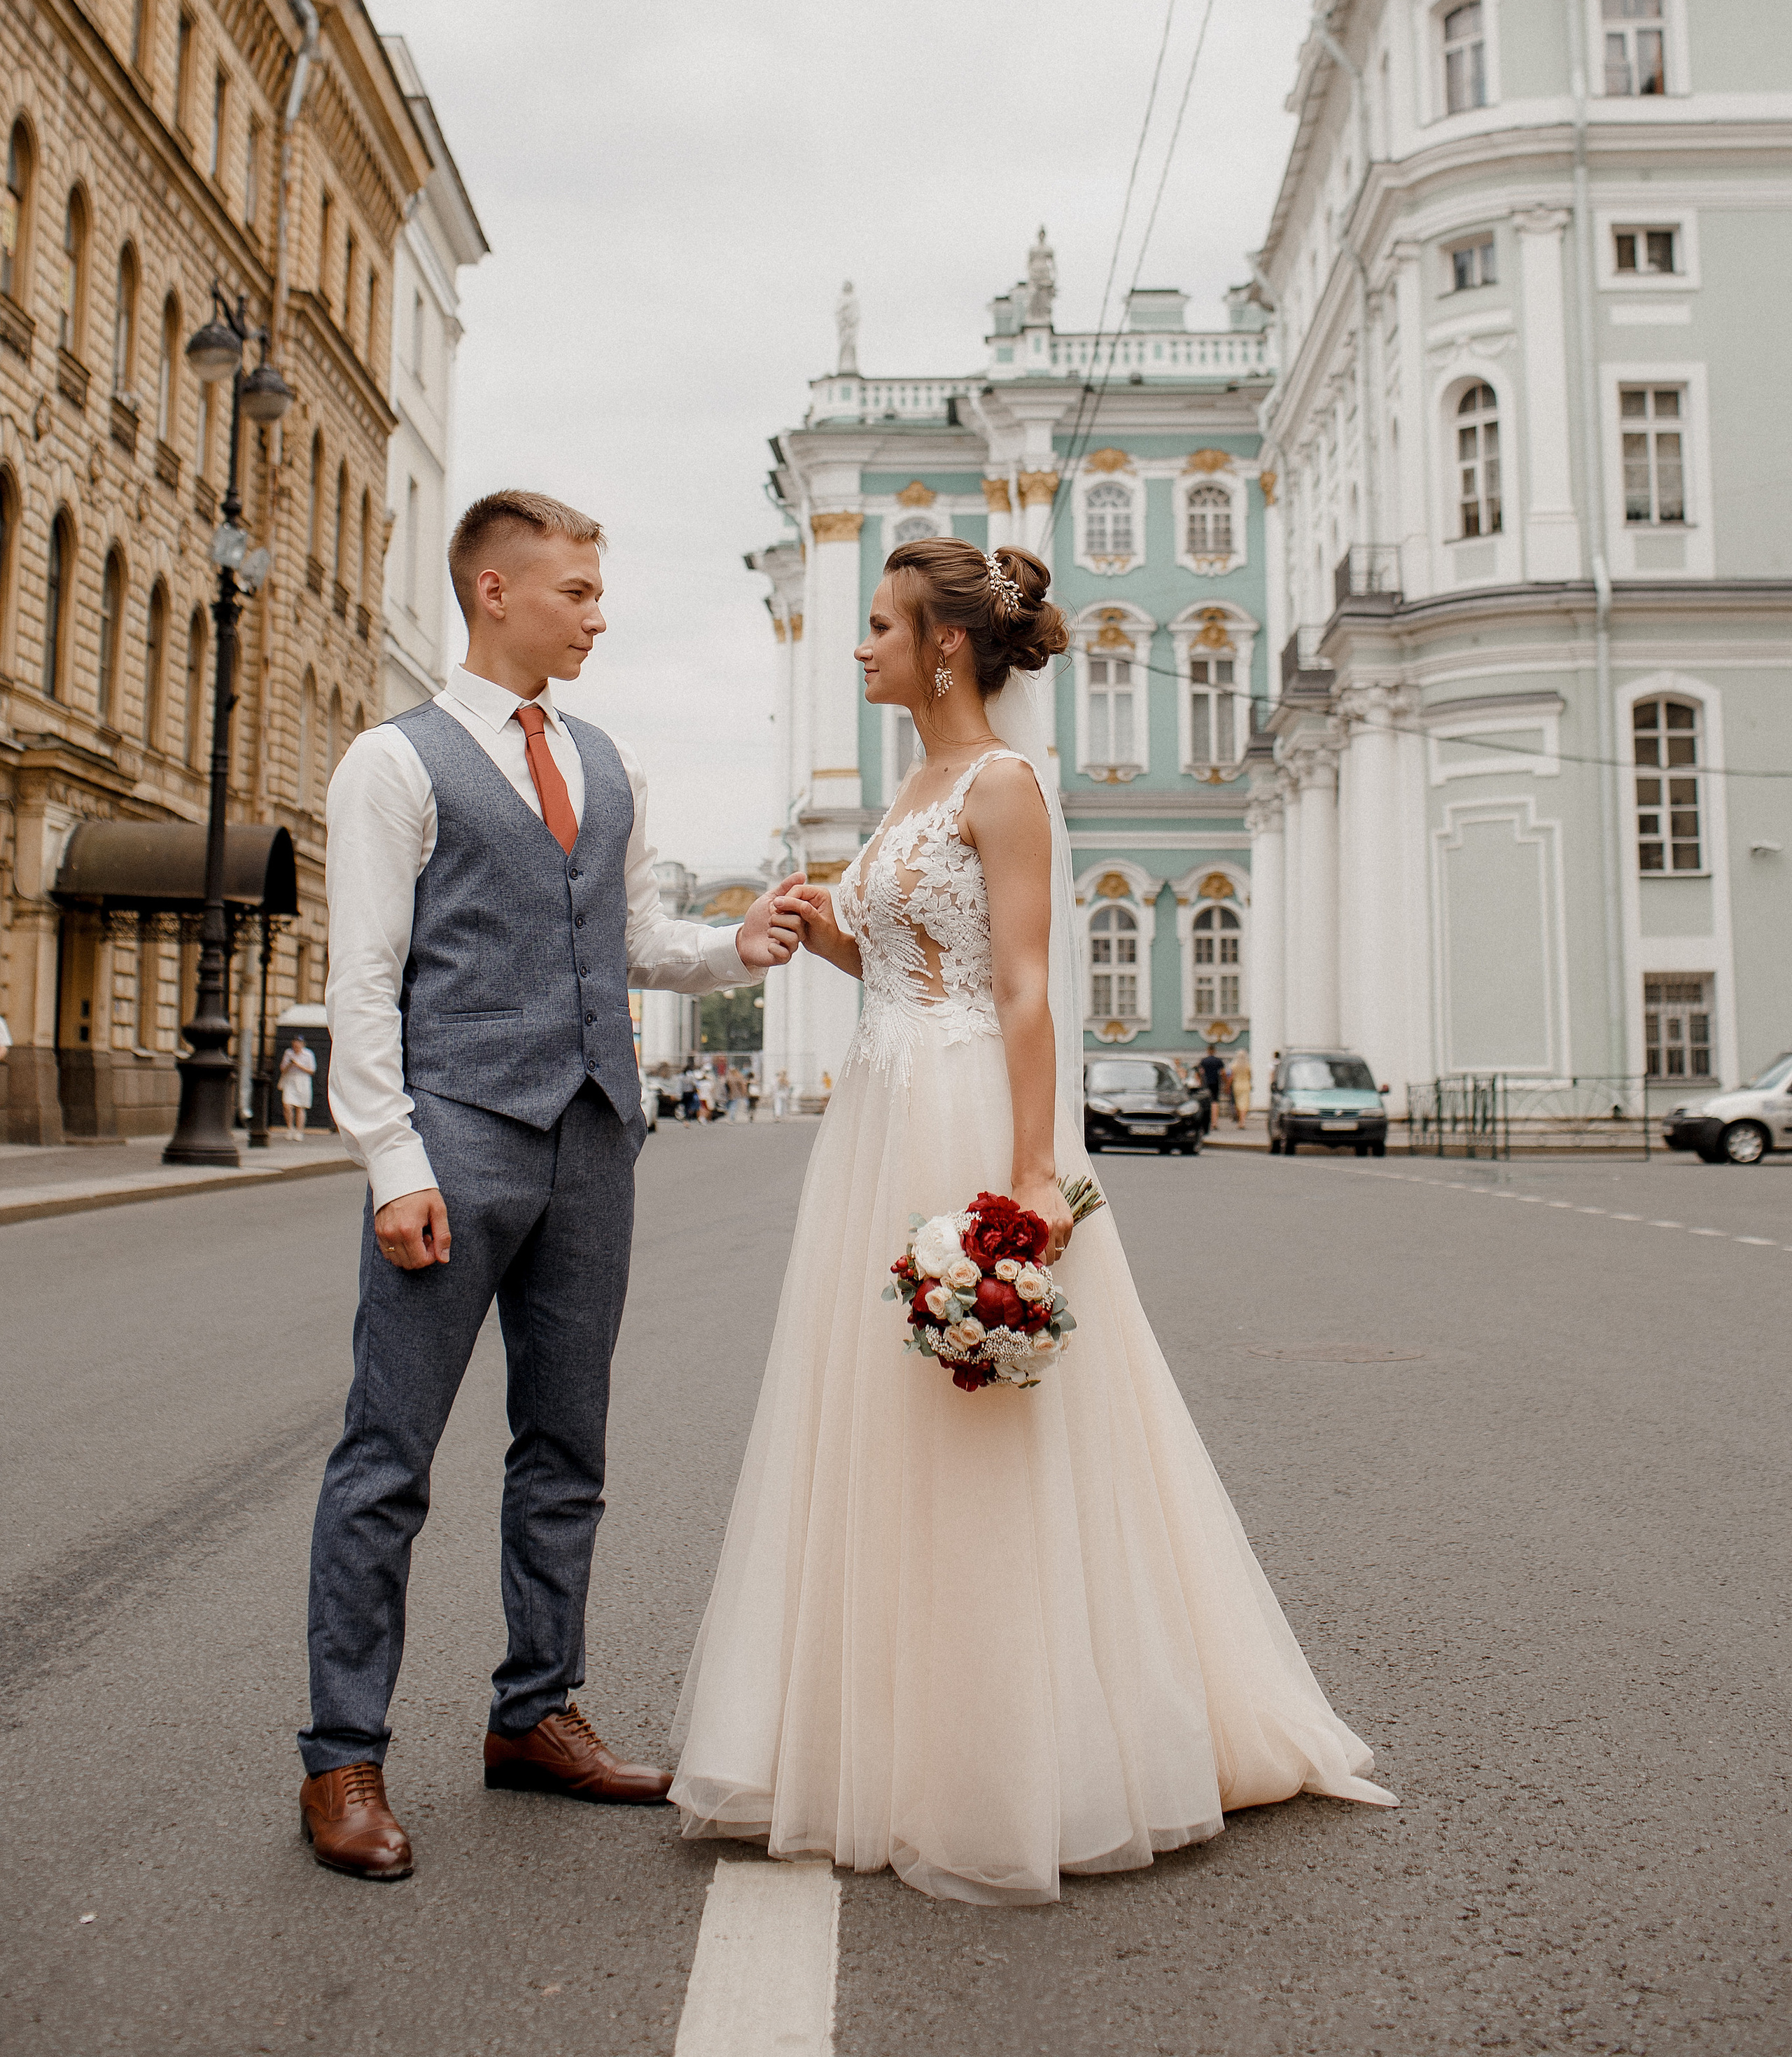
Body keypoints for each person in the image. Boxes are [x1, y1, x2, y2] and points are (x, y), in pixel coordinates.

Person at [671, 538, 1392, 1905]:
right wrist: (815, 921)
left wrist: (1024, 1184)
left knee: (979, 1426)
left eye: (878, 627)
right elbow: (894, 961)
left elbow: (1018, 992)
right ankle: (878, 1737)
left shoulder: (1003, 787)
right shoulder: (912, 787)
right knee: (877, 1420)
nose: (860, 646)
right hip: (877, 1109)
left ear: (944, 648)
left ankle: (1007, 1757)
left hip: (952, 1115)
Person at [298, 490, 804, 1881]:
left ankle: (535, 1715)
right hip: (455, 1136)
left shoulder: (605, 759)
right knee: (386, 1456)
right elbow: (363, 977)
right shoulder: (393, 764)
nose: (597, 612)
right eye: (576, 590)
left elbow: (627, 938)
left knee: (564, 1448)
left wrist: (733, 946)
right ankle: (342, 1756)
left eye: (598, 589)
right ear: (495, 594)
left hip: (592, 1136)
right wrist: (390, 1156)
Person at [279, 1033, 317, 1143]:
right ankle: (290, 1128)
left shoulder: (308, 1054)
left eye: (299, 1044)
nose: (296, 1046)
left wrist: (298, 1065)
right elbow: (283, 1069)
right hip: (290, 1079)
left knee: (300, 1106)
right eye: (295, 1044)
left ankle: (299, 1131)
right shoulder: (288, 1053)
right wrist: (290, 1064)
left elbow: (312, 1071)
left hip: (303, 1080)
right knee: (287, 1105)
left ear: (302, 1044)